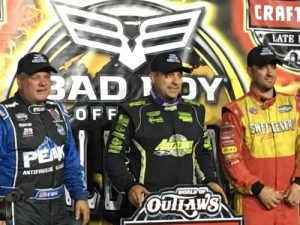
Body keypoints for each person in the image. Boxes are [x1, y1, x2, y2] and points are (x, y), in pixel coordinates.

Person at [105, 52, 227, 218]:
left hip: (188, 206)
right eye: (168, 75)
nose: (176, 82)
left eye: (179, 75)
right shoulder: (132, 111)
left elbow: (202, 152)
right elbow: (113, 155)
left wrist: (210, 181)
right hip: (146, 204)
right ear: (153, 77)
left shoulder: (196, 110)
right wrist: (130, 186)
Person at [0, 52, 90, 225]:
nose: (42, 83)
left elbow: (70, 159)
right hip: (18, 210)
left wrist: (80, 195)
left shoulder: (57, 110)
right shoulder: (4, 116)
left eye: (46, 77)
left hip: (58, 209)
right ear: (20, 81)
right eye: (36, 77)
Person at [219, 46, 300, 225]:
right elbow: (230, 158)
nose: (270, 72)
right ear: (250, 71)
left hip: (290, 201)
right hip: (254, 202)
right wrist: (258, 188)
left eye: (273, 66)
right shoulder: (235, 111)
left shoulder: (294, 105)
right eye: (263, 67)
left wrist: (299, 183)